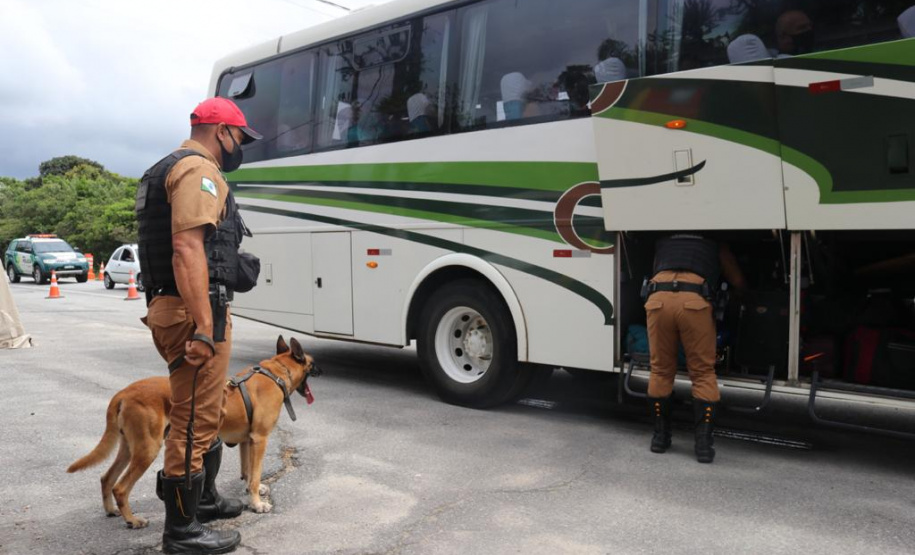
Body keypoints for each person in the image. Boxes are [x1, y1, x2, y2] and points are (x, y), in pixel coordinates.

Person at [136, 97, 261, 554]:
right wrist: (206, 328)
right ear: (220, 131)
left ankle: (202, 502)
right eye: (240, 137)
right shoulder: (198, 171)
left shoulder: (166, 167)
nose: (240, 146)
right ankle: (182, 532)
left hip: (181, 307)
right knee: (194, 419)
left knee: (203, 410)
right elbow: (187, 249)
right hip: (193, 313)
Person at [643, 234, 746, 463]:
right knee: (702, 372)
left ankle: (660, 439)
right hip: (694, 302)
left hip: (657, 299)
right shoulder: (715, 241)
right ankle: (703, 447)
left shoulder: (664, 241)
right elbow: (737, 280)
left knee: (660, 370)